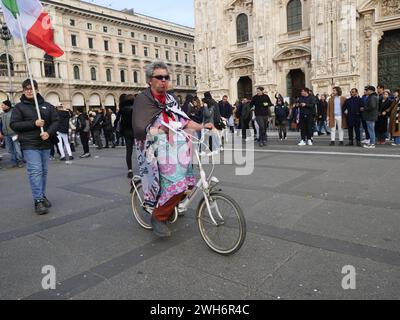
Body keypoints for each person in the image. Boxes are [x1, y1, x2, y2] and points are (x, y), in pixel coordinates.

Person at [131, 61, 214, 238]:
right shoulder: (143, 99)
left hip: (175, 145)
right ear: (149, 80)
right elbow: (140, 126)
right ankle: (158, 217)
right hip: (153, 146)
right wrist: (159, 130)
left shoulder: (171, 99)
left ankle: (171, 205)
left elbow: (183, 121)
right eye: (159, 77)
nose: (163, 81)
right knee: (176, 181)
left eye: (166, 77)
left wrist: (203, 126)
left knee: (188, 180)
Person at [10, 79, 59, 215]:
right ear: (23, 90)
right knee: (35, 171)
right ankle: (38, 200)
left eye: (32, 88)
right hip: (29, 143)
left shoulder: (47, 106)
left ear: (37, 90)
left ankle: (42, 195)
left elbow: (56, 121)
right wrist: (34, 123)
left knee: (43, 171)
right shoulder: (19, 107)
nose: (29, 91)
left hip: (45, 143)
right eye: (26, 89)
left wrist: (48, 133)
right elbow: (14, 125)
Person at [0, 99, 25, 168]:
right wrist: (1, 133)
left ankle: (20, 161)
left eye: (3, 105)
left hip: (14, 133)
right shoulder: (2, 114)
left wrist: (18, 132)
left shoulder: (13, 112)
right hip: (6, 135)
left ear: (7, 106)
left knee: (17, 149)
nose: (1, 106)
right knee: (10, 150)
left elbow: (18, 123)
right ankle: (14, 162)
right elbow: (1, 124)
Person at [117, 94, 135, 178]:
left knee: (129, 151)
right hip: (135, 131)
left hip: (126, 132)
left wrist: (120, 130)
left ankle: (130, 170)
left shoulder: (122, 109)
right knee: (141, 150)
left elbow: (117, 121)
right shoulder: (135, 108)